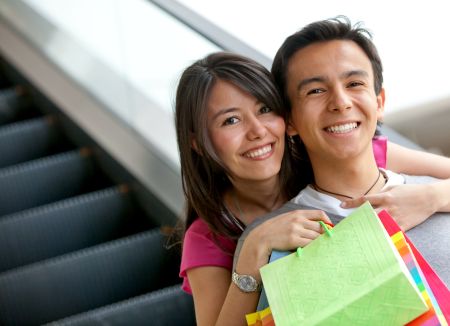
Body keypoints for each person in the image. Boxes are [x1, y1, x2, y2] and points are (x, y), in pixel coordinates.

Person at [175, 52, 450, 325]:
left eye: (264, 109)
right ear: (197, 143)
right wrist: (252, 253)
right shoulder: (207, 237)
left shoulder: (335, 155)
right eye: (231, 120)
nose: (257, 131)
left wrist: (430, 195)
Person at [234, 16, 450, 298]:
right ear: (290, 121)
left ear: (379, 102)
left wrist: (434, 198)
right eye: (316, 90)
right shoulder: (269, 237)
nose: (340, 102)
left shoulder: (434, 195)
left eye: (354, 83)